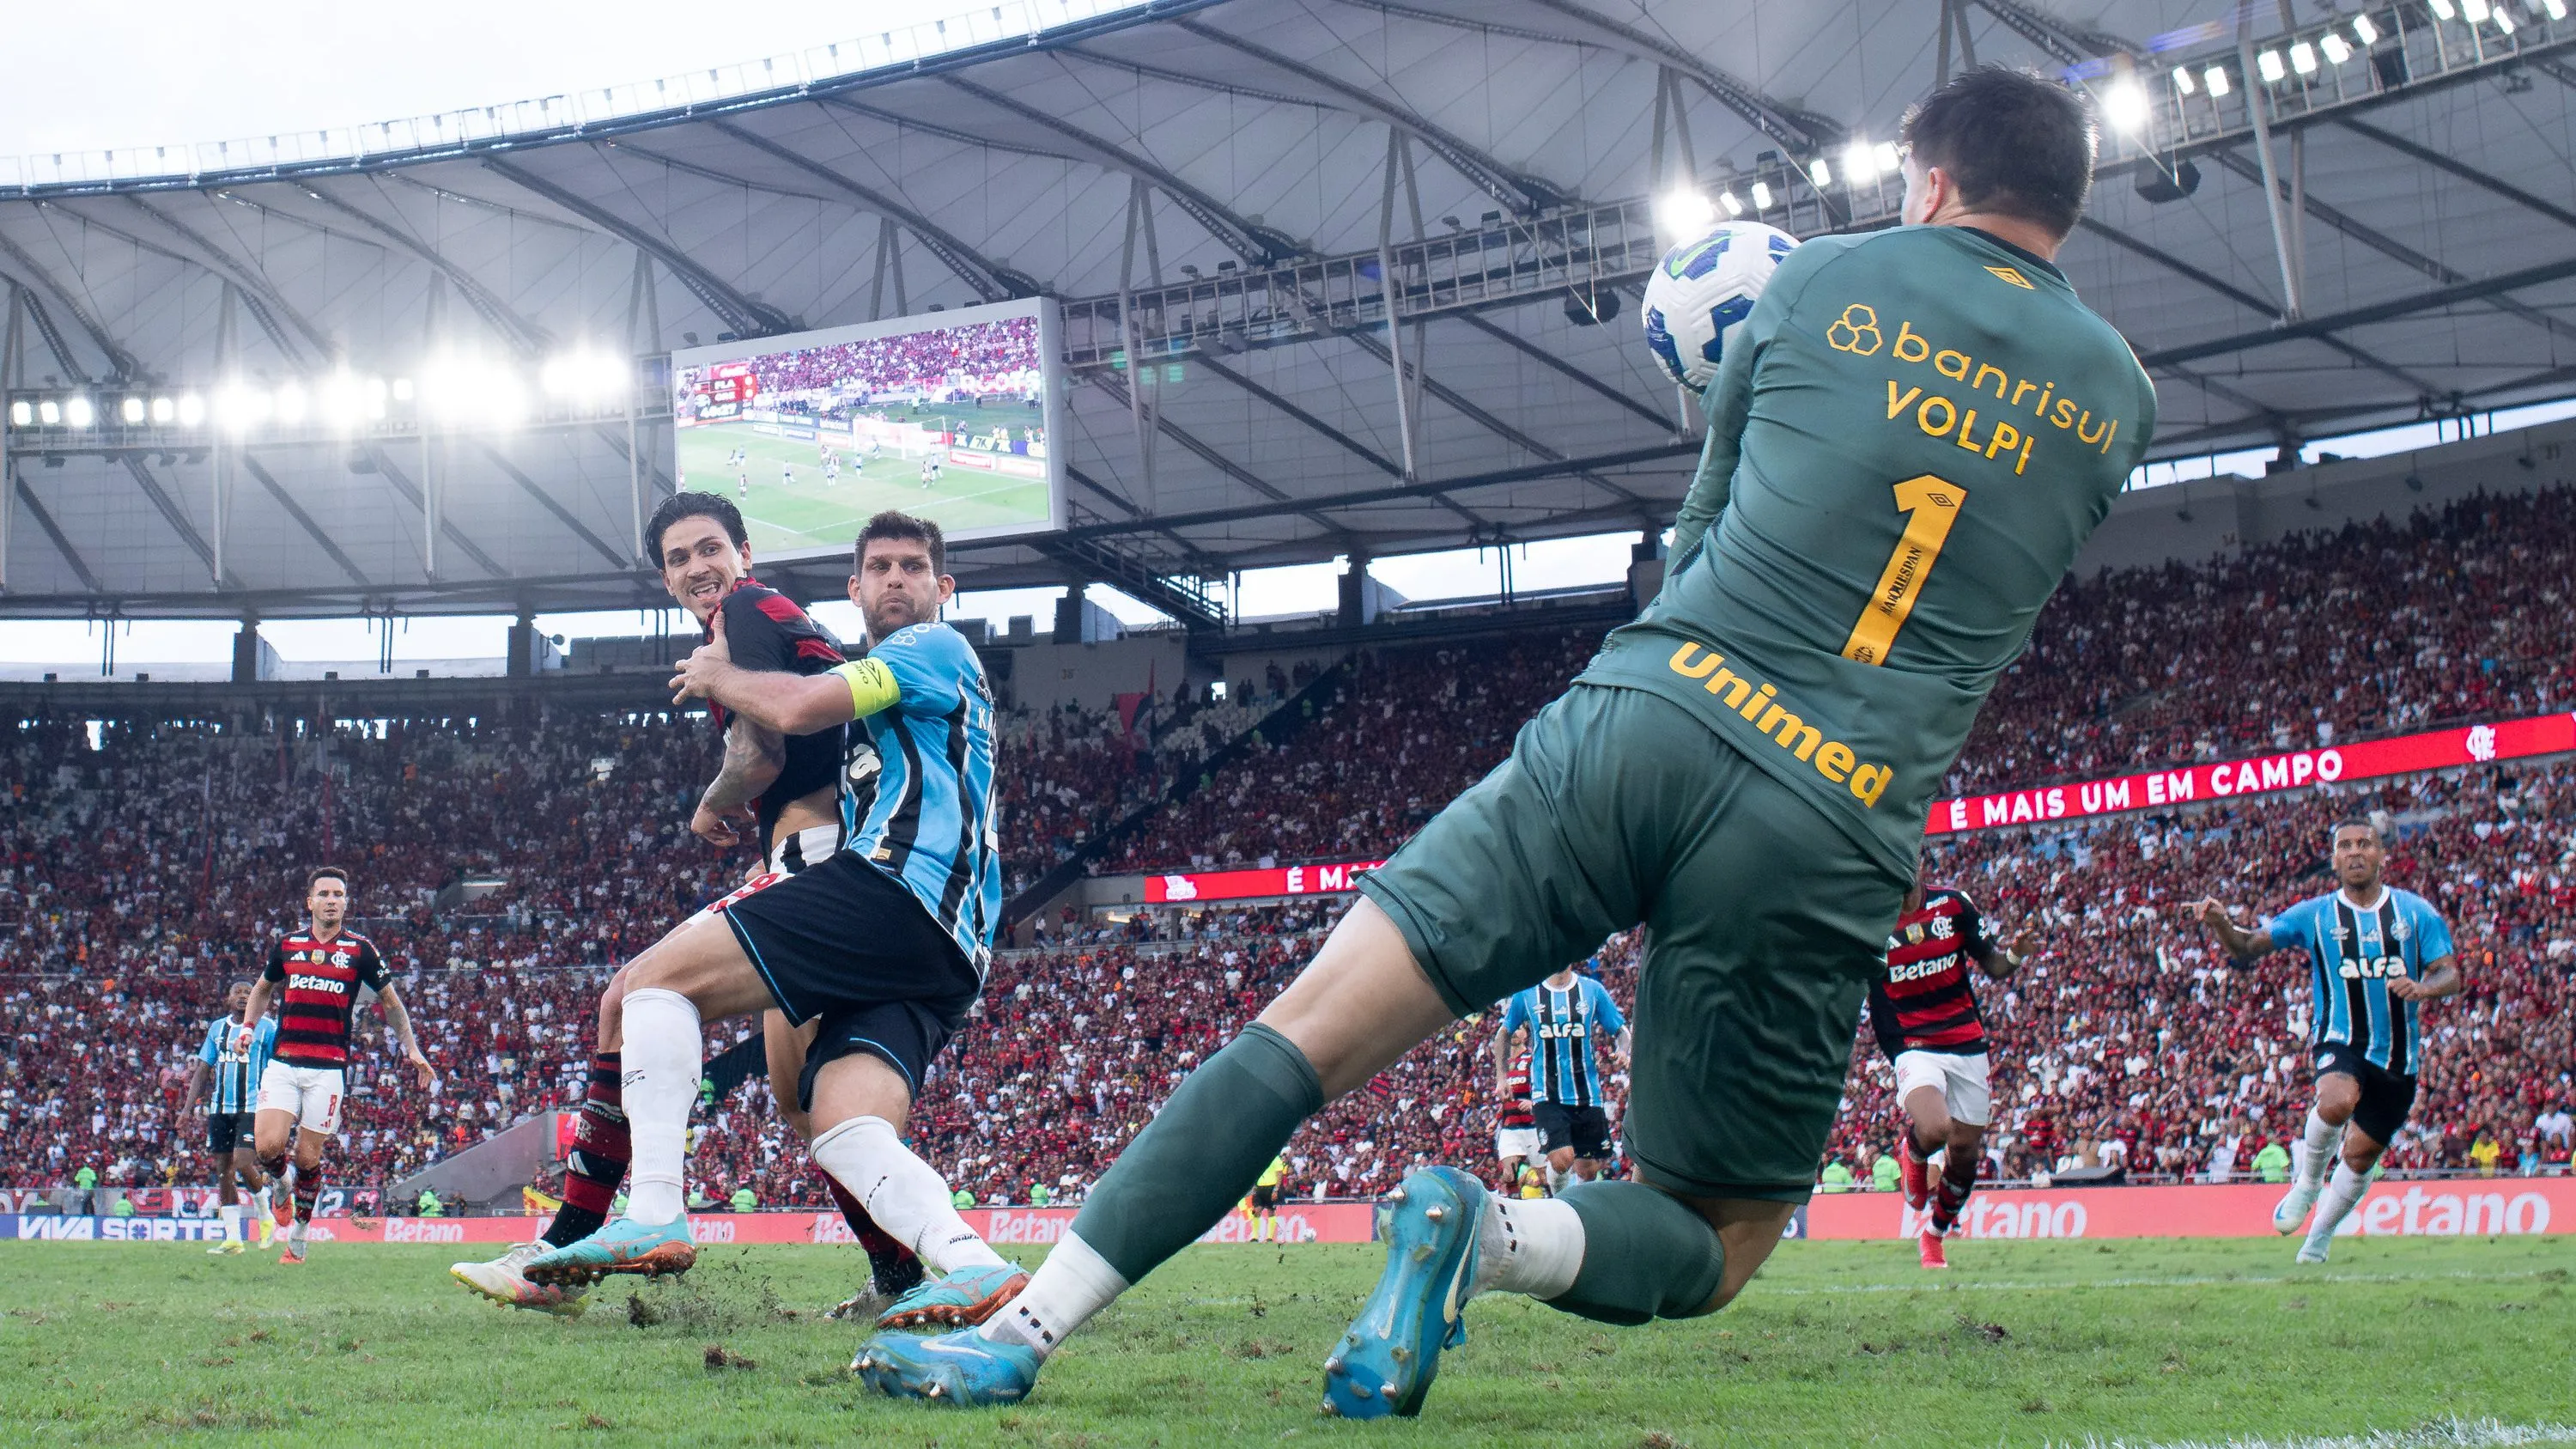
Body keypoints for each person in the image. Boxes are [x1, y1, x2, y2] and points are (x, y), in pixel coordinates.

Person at [853, 64, 2151, 1412]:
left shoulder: (1822, 280)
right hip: (1832, 812)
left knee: (1301, 1033)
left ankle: (1025, 1326)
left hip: (1651, 717)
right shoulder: (2119, 400)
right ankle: (1490, 1231)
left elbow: (1703, 531)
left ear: (1929, 181)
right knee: (1719, 1234)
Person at [527, 510, 1018, 1342]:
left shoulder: (928, 651)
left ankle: (653, 1210)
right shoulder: (892, 708)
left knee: (648, 986)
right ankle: (972, 1263)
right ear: (854, 589)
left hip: (899, 894)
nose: (896, 578)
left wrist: (715, 675)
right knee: (841, 1126)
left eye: (913, 566)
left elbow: (796, 708)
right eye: (879, 567)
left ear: (944, 589)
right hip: (947, 954)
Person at [452, 492, 923, 1317]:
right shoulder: (769, 620)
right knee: (805, 1103)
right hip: (840, 861)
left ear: (742, 552)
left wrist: (712, 800)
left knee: (626, 997)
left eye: (711, 549)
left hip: (812, 861)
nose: (698, 568)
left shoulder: (743, 612)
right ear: (665, 577)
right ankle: (903, 1280)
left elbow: (762, 749)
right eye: (679, 559)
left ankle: (565, 1248)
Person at [2187, 818, 2461, 1263]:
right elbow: (2247, 947)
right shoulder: (2315, 914)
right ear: (2334, 860)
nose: (2355, 852)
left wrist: (2424, 987)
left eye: (2364, 845)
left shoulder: (2415, 913)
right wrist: (2221, 924)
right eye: (2345, 846)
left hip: (2397, 1059)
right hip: (2341, 1038)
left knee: (2359, 1157)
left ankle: (2320, 1236)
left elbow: (2451, 971)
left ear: (2381, 856)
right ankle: (2307, 1184)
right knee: (2335, 1101)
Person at [238, 867, 438, 1264]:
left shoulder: (360, 950)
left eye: (339, 894)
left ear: (346, 902)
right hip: (284, 1061)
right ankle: (281, 1185)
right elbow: (262, 988)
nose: (332, 900)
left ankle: (300, 1232)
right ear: (309, 901)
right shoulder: (288, 945)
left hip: (328, 1069)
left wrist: (411, 1047)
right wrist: (248, 1026)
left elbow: (392, 1003)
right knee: (267, 1146)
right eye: (325, 893)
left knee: (308, 1158)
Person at [1872, 861, 2028, 1269]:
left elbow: (1994, 966)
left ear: (1920, 863)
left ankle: (1934, 1234)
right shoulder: (1869, 919)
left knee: (1964, 1155)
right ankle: (1915, 1150)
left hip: (1966, 1042)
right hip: (1912, 1042)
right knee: (1936, 1127)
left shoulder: (1954, 906)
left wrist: (2015, 953)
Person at [1497, 965, 1631, 1189]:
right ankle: (1560, 1206)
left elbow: (1621, 1030)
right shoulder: (1528, 993)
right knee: (1562, 1159)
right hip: (1546, 1094)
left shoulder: (1592, 990)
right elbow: (1504, 1033)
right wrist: (1501, 1077)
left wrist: (1624, 1051)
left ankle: (1571, 1200)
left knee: (1587, 1172)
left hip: (1587, 1094)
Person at [185, 981, 279, 1254]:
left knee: (242, 1160)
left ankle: (265, 1216)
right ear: (227, 999)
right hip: (220, 1109)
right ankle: (233, 1238)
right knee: (224, 1171)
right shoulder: (217, 1028)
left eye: (248, 993)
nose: (242, 996)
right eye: (236, 992)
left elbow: (278, 1066)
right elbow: (203, 1070)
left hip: (252, 1106)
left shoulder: (267, 1028)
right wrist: (186, 1109)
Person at [1490, 1046, 1540, 1189]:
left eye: (1519, 1029)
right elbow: (1507, 1099)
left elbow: (1548, 1086)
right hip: (1510, 1127)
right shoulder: (1504, 1065)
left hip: (1532, 1125)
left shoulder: (1532, 1058)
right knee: (1508, 1174)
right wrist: (1496, 1119)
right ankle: (1517, 1199)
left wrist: (1534, 1103)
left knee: (1543, 1177)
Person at [1249, 1155, 1287, 1242]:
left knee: (1271, 1211)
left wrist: (1276, 1190)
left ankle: (1269, 1237)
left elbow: (1279, 1174)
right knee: (1256, 1210)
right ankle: (1255, 1237)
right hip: (1259, 1187)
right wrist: (1254, 1185)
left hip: (1271, 1187)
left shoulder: (1276, 1159)